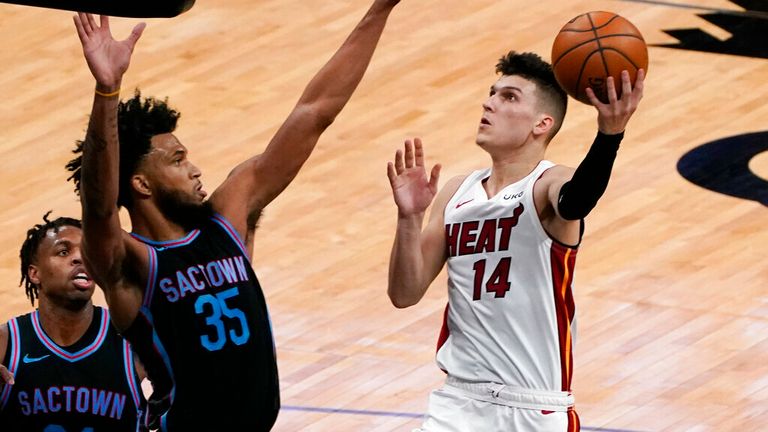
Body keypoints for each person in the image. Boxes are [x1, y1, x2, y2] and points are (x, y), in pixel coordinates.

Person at [67, 1, 403, 430]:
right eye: (177, 159)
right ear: (141, 184)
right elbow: (97, 204)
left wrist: (380, 9)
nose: (195, 169)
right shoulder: (130, 261)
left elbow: (314, 112)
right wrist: (107, 91)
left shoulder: (226, 215)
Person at [386, 52, 645, 431]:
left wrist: (610, 136)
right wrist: (408, 218)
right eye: (492, 93)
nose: (489, 103)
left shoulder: (547, 184)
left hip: (534, 409)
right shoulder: (457, 193)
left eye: (508, 97)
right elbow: (404, 293)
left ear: (543, 123)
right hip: (458, 403)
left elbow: (578, 199)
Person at [0, 213, 146, 431]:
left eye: (87, 252)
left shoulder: (130, 337)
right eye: (63, 251)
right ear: (34, 273)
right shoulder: (6, 343)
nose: (80, 259)